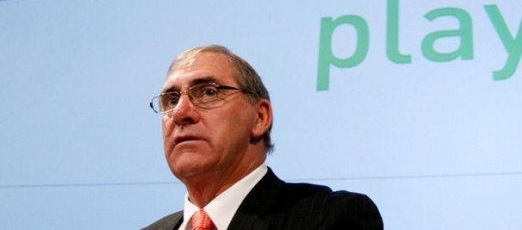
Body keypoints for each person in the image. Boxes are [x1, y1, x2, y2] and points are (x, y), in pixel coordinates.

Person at [143, 44, 383, 230]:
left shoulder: (330, 216)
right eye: (171, 100)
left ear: (260, 117)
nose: (180, 113)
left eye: (208, 92)